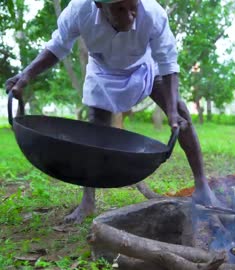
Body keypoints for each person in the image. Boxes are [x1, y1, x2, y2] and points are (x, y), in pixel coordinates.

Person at [5, 0, 219, 223]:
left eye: (132, 8)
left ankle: (202, 186)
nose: (129, 17)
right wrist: (25, 76)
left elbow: (167, 61)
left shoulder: (153, 13)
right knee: (94, 132)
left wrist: (173, 112)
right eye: (119, 9)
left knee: (180, 111)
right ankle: (87, 201)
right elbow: (58, 45)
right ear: (99, 5)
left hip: (144, 67)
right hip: (103, 72)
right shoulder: (80, 10)